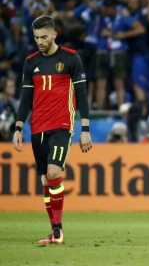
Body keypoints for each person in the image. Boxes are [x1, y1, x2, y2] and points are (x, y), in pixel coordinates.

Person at [12, 16, 92, 244]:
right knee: (46, 181)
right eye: (37, 38)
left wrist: (85, 128)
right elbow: (26, 99)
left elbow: (82, 95)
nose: (40, 41)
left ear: (54, 34)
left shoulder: (70, 57)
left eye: (44, 37)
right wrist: (18, 127)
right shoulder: (30, 62)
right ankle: (54, 230)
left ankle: (58, 230)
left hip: (62, 125)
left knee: (54, 172)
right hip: (37, 126)